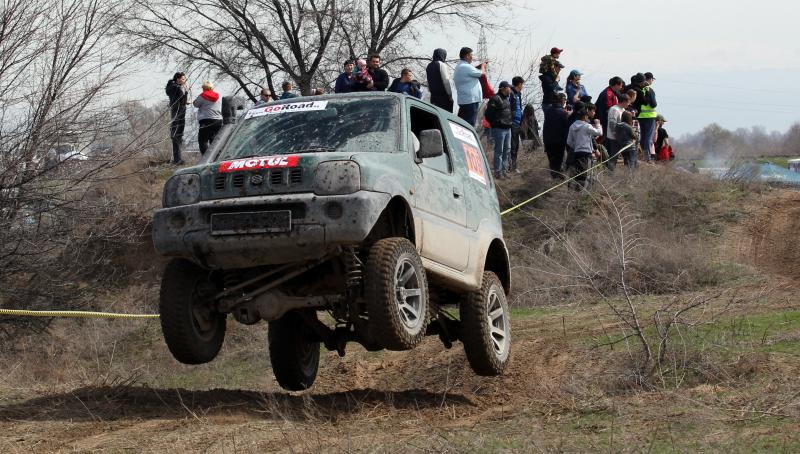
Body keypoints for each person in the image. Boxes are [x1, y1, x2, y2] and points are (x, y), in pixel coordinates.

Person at [566, 105, 603, 189]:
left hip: (576, 152)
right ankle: (580, 191)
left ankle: (573, 189)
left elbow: (568, 141)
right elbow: (599, 133)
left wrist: (576, 146)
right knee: (584, 174)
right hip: (586, 153)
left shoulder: (572, 126)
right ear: (585, 116)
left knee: (577, 172)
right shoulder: (587, 126)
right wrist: (598, 124)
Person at [484, 81, 513, 179]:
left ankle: (504, 171)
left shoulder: (507, 99)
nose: (510, 89)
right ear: (504, 88)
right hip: (499, 129)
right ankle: (497, 172)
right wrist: (496, 123)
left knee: (507, 150)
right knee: (499, 150)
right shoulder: (495, 98)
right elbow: (488, 115)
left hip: (508, 128)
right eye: (509, 87)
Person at [453, 47, 486, 127]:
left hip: (466, 100)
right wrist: (483, 66)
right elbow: (482, 73)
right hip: (470, 101)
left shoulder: (461, 66)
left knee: (463, 123)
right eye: (471, 55)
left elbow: (473, 71)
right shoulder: (465, 66)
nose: (472, 57)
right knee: (469, 125)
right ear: (467, 56)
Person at [542, 92, 570, 180]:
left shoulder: (548, 111)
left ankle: (554, 178)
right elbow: (566, 128)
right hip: (559, 141)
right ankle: (558, 179)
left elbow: (545, 127)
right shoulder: (563, 113)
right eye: (565, 100)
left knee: (552, 162)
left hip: (548, 141)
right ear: (562, 100)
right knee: (559, 161)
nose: (565, 101)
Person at [631, 72, 657, 161]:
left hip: (641, 116)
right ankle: (647, 157)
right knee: (648, 138)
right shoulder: (648, 89)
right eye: (652, 80)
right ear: (649, 79)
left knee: (643, 137)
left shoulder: (640, 90)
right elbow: (654, 104)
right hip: (649, 116)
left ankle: (643, 155)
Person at [165, 72, 190, 164]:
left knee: (179, 135)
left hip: (181, 111)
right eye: (183, 79)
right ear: (178, 79)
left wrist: (186, 92)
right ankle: (176, 159)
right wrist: (183, 89)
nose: (184, 81)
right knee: (175, 134)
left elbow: (183, 101)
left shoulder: (179, 87)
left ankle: (178, 158)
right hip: (176, 112)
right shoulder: (173, 86)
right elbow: (175, 94)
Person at [193, 81, 223, 156]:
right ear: (212, 88)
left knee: (203, 141)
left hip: (206, 120)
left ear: (203, 88)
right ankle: (217, 157)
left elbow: (195, 104)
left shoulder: (203, 95)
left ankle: (206, 159)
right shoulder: (219, 96)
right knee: (215, 140)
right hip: (218, 121)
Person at [605, 93, 631, 171]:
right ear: (624, 101)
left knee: (627, 156)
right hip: (614, 138)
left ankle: (628, 172)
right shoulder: (614, 109)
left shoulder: (622, 110)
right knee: (614, 157)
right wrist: (615, 134)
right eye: (628, 102)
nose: (629, 104)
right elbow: (612, 123)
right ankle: (610, 173)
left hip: (621, 137)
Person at [506, 76, 525, 173]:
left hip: (518, 122)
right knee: (512, 145)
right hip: (512, 122)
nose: (522, 87)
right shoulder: (511, 93)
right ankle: (511, 166)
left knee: (516, 145)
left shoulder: (518, 94)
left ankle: (513, 165)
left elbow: (519, 107)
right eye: (522, 84)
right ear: (519, 84)